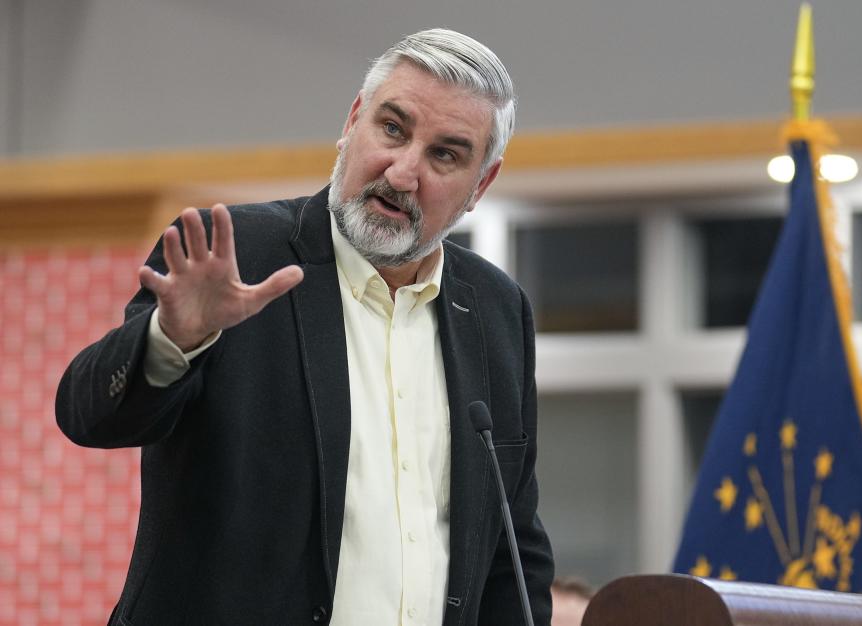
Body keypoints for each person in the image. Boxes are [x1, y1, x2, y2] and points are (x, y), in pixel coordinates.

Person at [56, 28, 553, 625]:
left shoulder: (497, 310)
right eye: (392, 129)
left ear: (482, 185)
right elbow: (89, 415)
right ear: (352, 122)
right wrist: (173, 340)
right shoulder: (238, 256)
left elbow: (511, 546)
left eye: (445, 154)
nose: (401, 172)